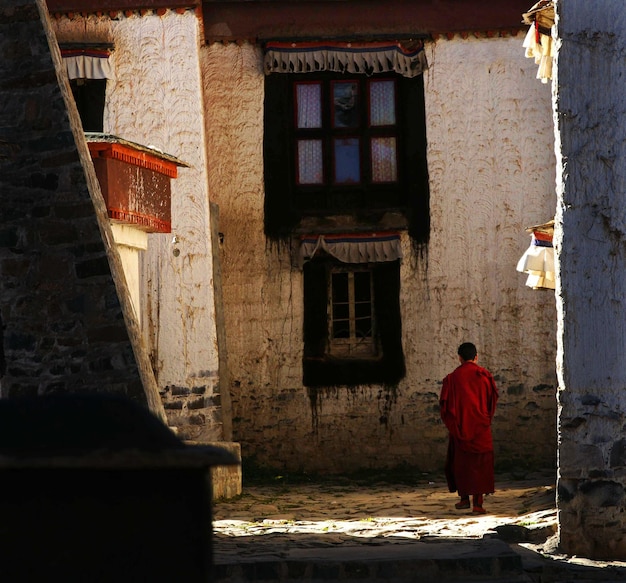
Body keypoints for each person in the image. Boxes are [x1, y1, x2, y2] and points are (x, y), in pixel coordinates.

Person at [439, 342, 498, 514]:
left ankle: (464, 499)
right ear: (476, 357)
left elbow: (445, 407)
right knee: (480, 465)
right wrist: (485, 419)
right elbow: (491, 402)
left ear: (459, 358)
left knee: (461, 464)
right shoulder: (485, 376)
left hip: (460, 428)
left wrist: (454, 425)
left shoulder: (452, 378)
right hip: (480, 428)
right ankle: (478, 504)